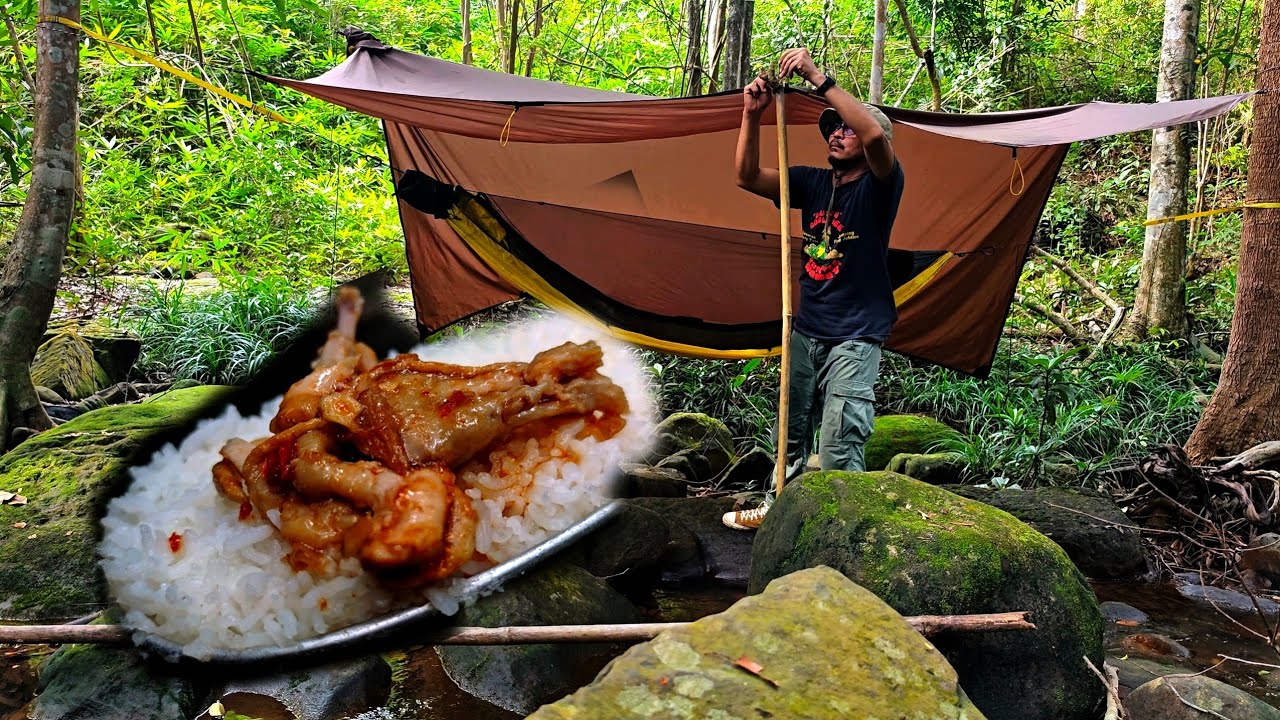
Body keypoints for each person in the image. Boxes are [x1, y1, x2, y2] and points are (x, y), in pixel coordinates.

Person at [722, 48, 906, 531]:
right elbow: (745, 176)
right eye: (834, 128)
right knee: (790, 432)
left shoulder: (882, 184)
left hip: (856, 333)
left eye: (848, 129)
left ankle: (844, 532)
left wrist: (817, 77)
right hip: (807, 328)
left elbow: (872, 133)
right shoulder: (810, 183)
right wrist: (752, 114)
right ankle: (779, 512)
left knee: (840, 440)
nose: (839, 133)